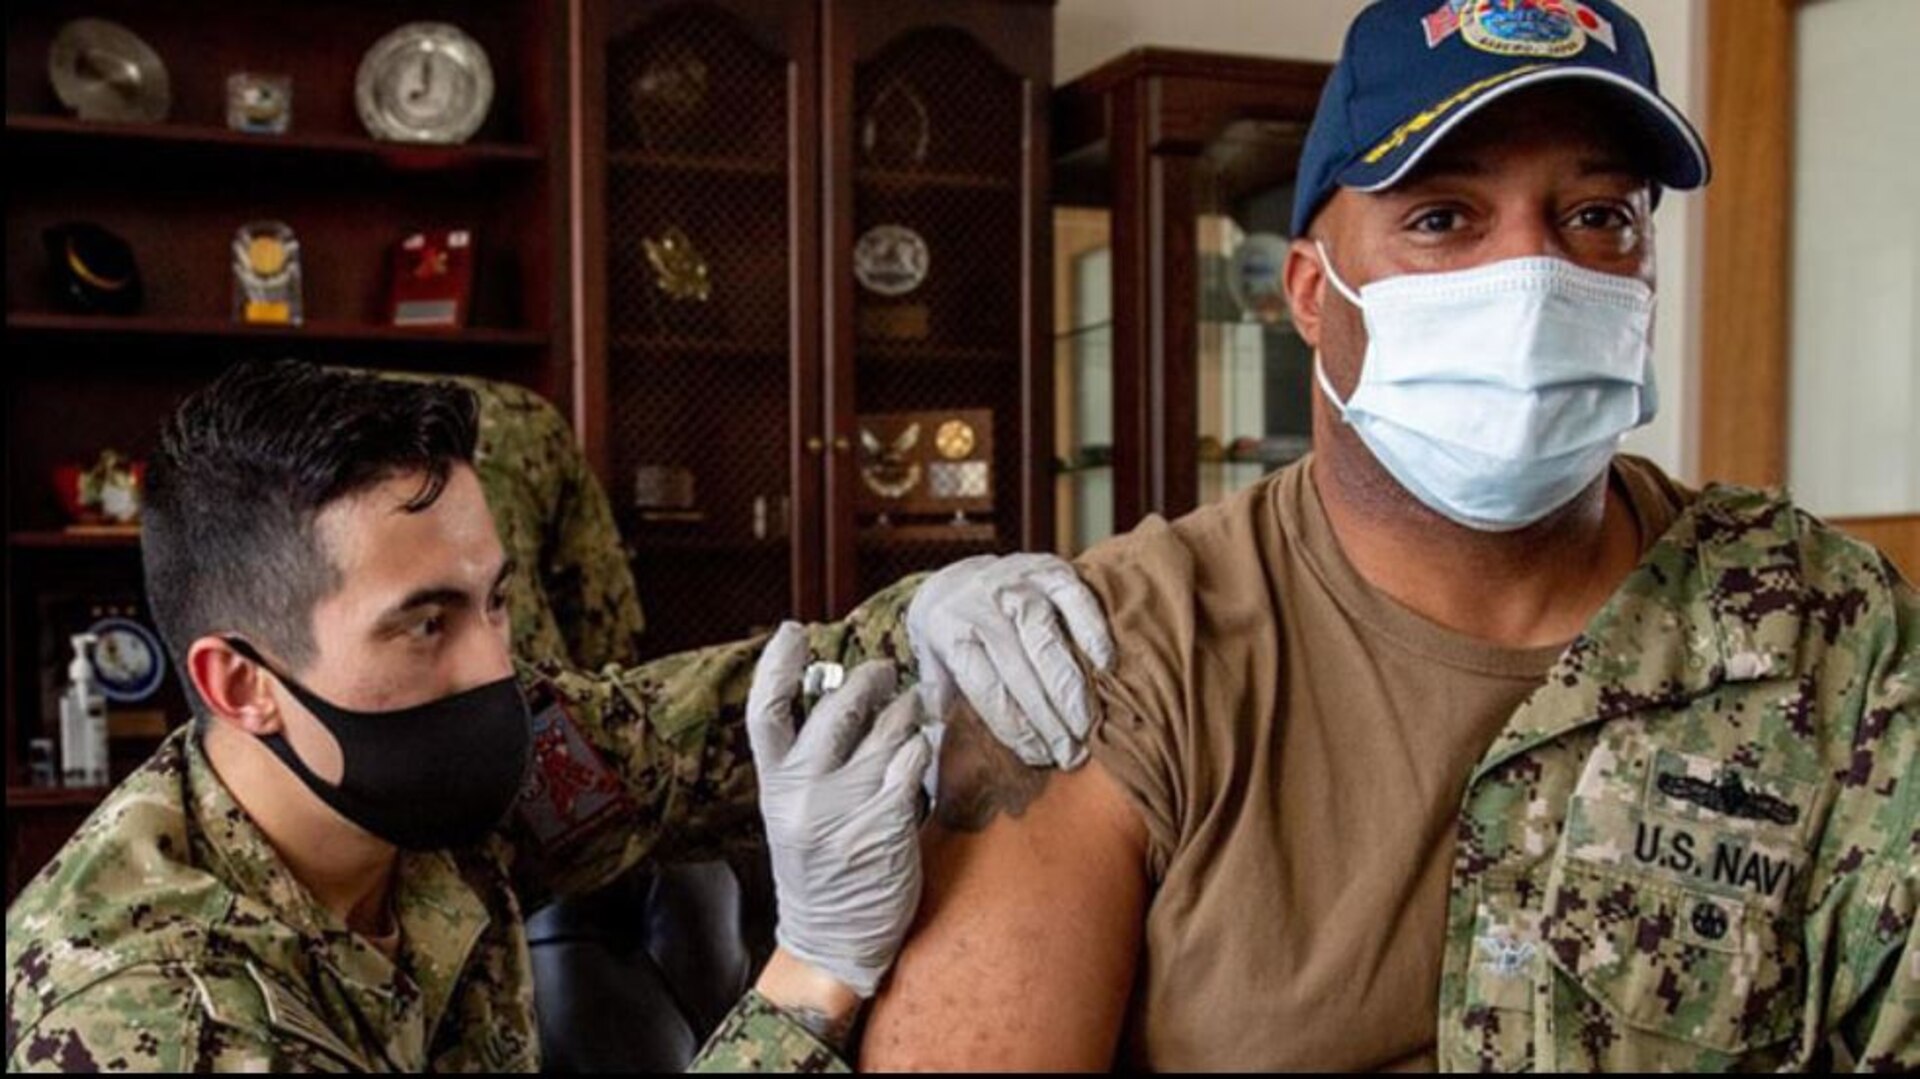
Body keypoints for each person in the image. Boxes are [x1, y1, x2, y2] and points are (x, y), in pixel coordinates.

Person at [700, 0, 1919, 1070]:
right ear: (1308, 293)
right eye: (1443, 218)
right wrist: (810, 966)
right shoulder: (1110, 655)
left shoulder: (1814, 625)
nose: (1536, 272)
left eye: (1599, 214)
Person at [2, 360, 1108, 1071]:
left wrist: (932, 618)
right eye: (425, 621)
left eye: (496, 601)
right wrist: (810, 973)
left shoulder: (414, 771)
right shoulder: (148, 1018)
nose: (500, 663)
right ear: (242, 682)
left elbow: (704, 725)